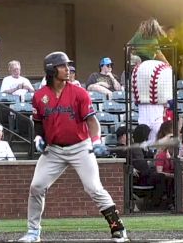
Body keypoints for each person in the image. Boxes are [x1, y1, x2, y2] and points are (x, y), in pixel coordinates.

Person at [18, 51, 127, 243]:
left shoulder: (79, 93)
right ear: (52, 70)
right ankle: (33, 232)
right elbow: (38, 124)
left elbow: (92, 122)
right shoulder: (39, 96)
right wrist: (38, 138)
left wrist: (96, 141)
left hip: (80, 147)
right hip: (54, 151)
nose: (68, 70)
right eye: (63, 66)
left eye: (68, 66)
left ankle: (118, 228)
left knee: (93, 187)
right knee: (36, 186)